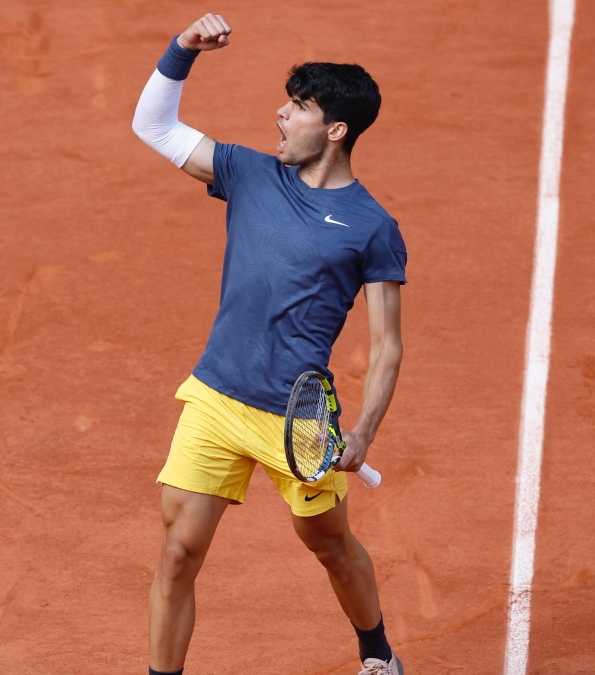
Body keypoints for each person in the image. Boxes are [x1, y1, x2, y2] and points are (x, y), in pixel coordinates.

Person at [132, 13, 407, 675]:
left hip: (297, 419)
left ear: (335, 129)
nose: (281, 115)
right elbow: (155, 127)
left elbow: (387, 344)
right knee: (176, 554)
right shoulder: (249, 174)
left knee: (329, 545)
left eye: (299, 107)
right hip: (216, 396)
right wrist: (181, 51)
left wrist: (364, 430)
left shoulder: (372, 227)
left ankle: (377, 653)